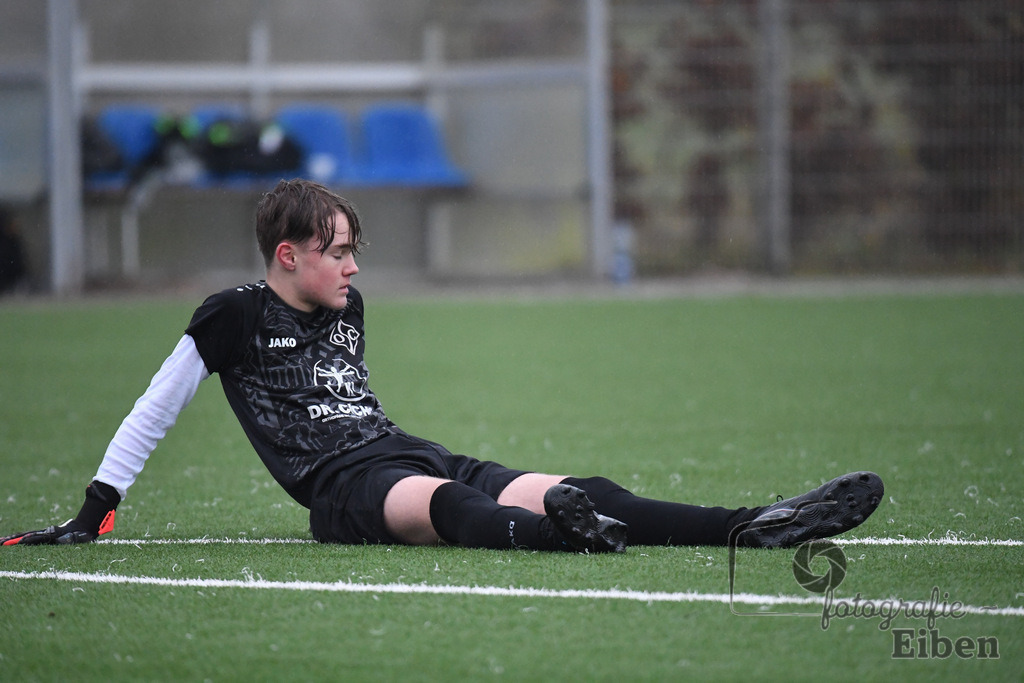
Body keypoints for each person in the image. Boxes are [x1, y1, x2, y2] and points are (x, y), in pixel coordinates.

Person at [1, 179, 883, 552]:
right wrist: (92, 514)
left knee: (579, 483)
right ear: (284, 257)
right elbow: (157, 405)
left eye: (353, 250)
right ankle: (560, 540)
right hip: (340, 490)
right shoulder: (232, 315)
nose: (352, 266)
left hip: (401, 447)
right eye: (336, 251)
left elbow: (365, 411)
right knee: (452, 508)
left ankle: (750, 524)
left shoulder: (350, 306)